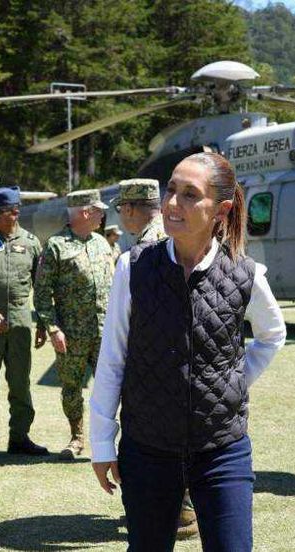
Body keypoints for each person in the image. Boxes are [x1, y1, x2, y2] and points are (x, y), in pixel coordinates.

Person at [90, 152, 285, 551]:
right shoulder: (133, 267)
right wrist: (101, 442)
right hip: (147, 448)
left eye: (190, 195)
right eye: (171, 190)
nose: (172, 204)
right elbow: (113, 357)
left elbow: (272, 335)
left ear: (221, 209)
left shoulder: (245, 273)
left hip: (221, 451)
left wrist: (232, 382)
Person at [114, 176, 198, 538]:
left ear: (132, 209)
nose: (120, 217)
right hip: (170, 359)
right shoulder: (161, 239)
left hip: (157, 363)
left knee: (159, 442)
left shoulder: (149, 248)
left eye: (122, 210)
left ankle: (179, 513)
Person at [35, 189, 114, 460]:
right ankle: (77, 437)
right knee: (72, 389)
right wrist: (52, 329)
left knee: (112, 386)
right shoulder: (56, 245)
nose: (102, 215)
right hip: (72, 336)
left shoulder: (102, 244)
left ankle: (109, 439)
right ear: (84, 212)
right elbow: (42, 293)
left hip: (105, 332)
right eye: (98, 210)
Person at [0, 185, 49, 462]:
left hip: (20, 324)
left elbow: (39, 287)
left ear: (14, 213)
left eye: (1, 212)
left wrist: (42, 323)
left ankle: (19, 438)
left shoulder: (30, 243)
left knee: (20, 384)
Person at [114, 178, 167, 245]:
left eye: (119, 209)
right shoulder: (172, 229)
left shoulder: (147, 244)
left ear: (128, 210)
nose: (119, 213)